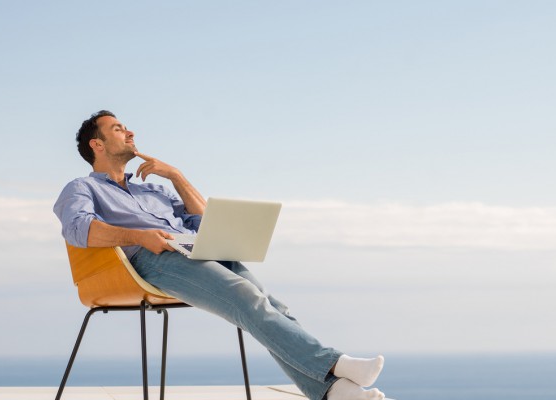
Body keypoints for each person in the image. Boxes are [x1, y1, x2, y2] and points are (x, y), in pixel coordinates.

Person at [53, 110, 388, 400]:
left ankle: (331, 391)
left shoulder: (151, 189)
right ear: (97, 145)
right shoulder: (82, 188)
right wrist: (140, 236)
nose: (130, 133)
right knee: (245, 296)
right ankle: (332, 364)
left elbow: (202, 221)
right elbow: (78, 229)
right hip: (145, 262)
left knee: (270, 304)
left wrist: (176, 175)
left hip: (192, 250)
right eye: (118, 129)